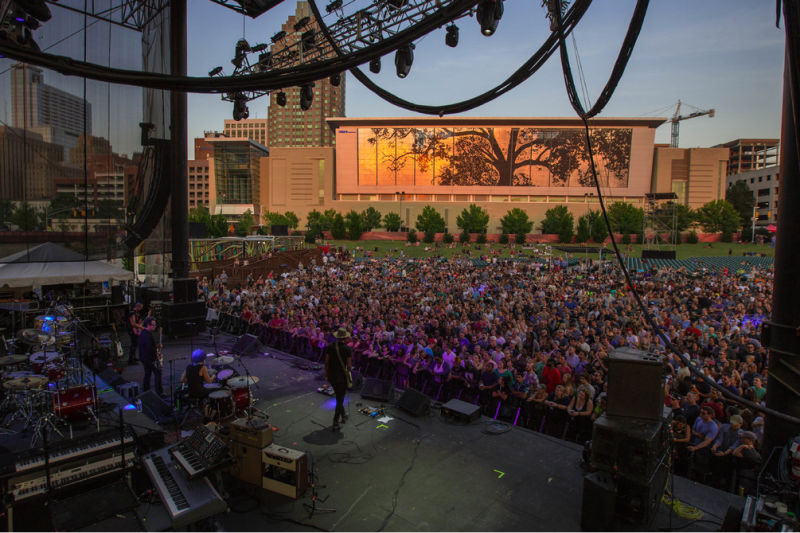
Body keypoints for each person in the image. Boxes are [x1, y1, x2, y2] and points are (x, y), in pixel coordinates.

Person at [325, 327, 352, 431]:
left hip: (332, 376)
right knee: (340, 399)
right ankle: (335, 421)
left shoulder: (330, 347)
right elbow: (349, 366)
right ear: (345, 338)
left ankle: (344, 415)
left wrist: (326, 374)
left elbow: (327, 362)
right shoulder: (347, 349)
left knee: (338, 396)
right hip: (341, 377)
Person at [139, 317, 163, 396]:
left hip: (144, 358)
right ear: (148, 325)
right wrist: (157, 352)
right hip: (149, 358)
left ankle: (146, 391)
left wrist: (156, 346)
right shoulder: (147, 335)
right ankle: (159, 392)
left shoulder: (144, 333)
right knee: (158, 373)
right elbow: (149, 348)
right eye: (153, 325)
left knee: (148, 374)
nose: (155, 326)